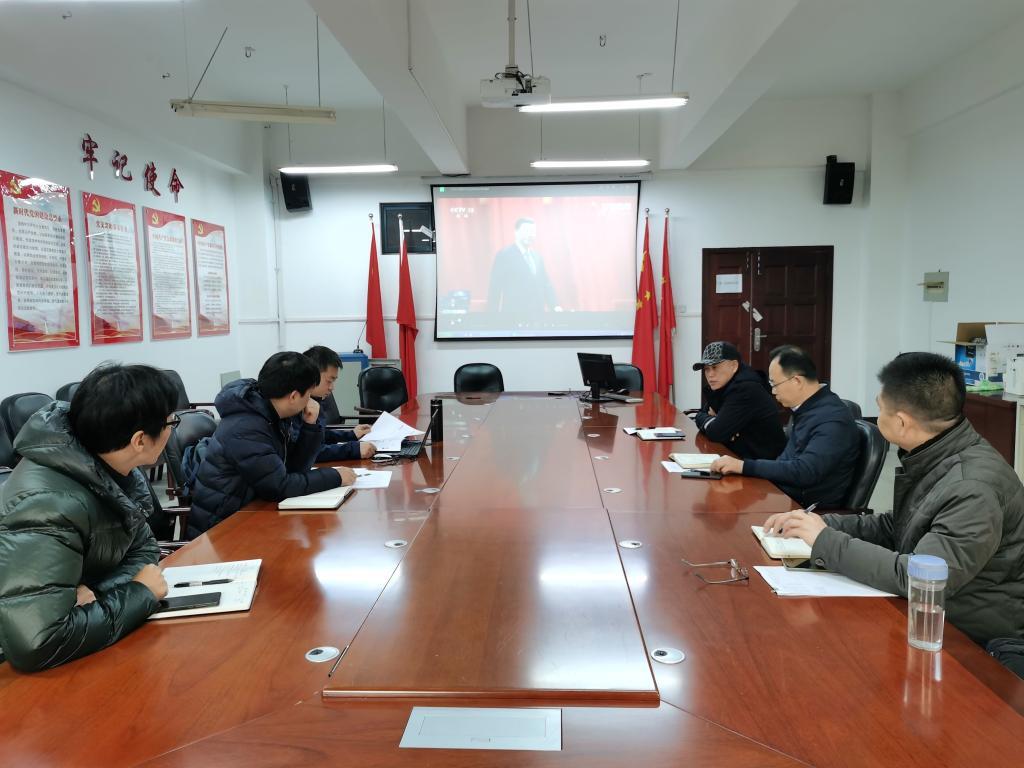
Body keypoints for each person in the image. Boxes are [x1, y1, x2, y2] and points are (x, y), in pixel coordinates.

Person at [762, 352, 1024, 646]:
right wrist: (820, 524)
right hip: (929, 616)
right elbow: (899, 526)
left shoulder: (972, 488)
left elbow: (919, 578)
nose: (877, 415)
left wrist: (826, 541)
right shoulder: (938, 454)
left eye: (879, 408)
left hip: (965, 636)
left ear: (901, 422)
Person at [0, 364, 176, 672]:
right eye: (171, 422)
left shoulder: (114, 470)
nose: (173, 430)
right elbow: (38, 642)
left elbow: (144, 551)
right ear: (139, 441)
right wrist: (139, 593)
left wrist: (98, 594)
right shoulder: (47, 506)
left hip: (80, 642)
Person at [188, 352, 354, 538]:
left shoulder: (274, 413)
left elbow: (295, 469)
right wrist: (335, 476)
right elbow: (279, 487)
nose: (310, 401)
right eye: (308, 394)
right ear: (293, 396)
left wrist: (310, 426)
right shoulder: (246, 428)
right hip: (221, 529)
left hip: (253, 512)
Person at [711, 345, 858, 507]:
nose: (773, 392)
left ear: (797, 381)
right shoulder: (807, 408)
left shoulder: (832, 419)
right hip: (782, 493)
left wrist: (744, 466)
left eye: (775, 384)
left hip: (805, 510)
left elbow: (805, 472)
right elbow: (788, 461)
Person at [691, 341, 786, 460]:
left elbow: (716, 432)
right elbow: (702, 414)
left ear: (734, 366)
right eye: (706, 369)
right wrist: (715, 422)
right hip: (742, 457)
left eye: (715, 367)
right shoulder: (723, 385)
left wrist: (716, 423)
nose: (710, 374)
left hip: (764, 464)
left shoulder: (745, 389)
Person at [297, 345, 376, 461]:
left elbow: (321, 436)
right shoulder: (296, 407)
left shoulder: (315, 400)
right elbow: (310, 452)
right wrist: (353, 449)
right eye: (329, 381)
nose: (332, 387)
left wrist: (351, 435)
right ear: (312, 376)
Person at [487, 217, 561, 313]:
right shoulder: (504, 255)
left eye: (533, 232)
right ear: (516, 232)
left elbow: (546, 284)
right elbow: (495, 287)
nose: (531, 235)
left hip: (538, 314)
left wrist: (555, 306)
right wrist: (492, 315)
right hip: (514, 315)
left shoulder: (537, 257)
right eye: (527, 231)